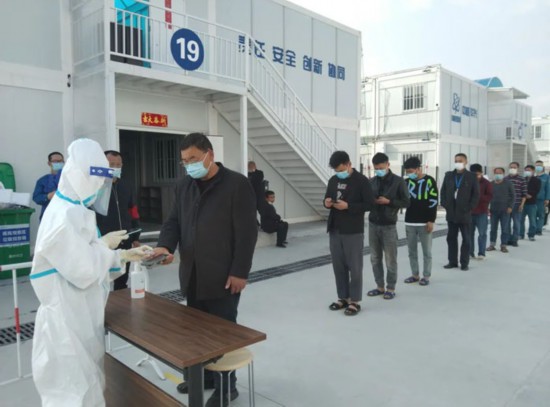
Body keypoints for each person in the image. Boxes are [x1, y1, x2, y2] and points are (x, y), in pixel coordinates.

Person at [30, 138, 151, 407]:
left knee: (90, 386)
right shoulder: (63, 217)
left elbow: (84, 258)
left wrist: (109, 250)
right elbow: (84, 270)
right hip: (66, 323)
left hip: (79, 314)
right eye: (98, 180)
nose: (100, 188)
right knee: (73, 394)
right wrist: (115, 254)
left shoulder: (73, 210)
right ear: (82, 177)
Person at [150, 133, 257, 406]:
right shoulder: (184, 185)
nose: (189, 165)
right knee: (196, 332)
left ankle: (226, 388)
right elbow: (174, 221)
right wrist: (165, 246)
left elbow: (247, 232)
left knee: (222, 333)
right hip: (193, 273)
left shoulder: (237, 184)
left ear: (210, 154)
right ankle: (204, 378)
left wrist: (240, 271)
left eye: (194, 159)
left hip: (223, 275)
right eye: (185, 161)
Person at [324, 151, 375, 316]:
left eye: (341, 169)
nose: (339, 173)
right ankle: (343, 297)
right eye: (336, 171)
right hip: (335, 228)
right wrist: (326, 203)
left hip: (353, 229)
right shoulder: (333, 180)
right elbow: (327, 198)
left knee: (355, 267)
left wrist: (349, 206)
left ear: (349, 164)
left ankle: (354, 301)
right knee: (338, 266)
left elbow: (370, 204)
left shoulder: (361, 181)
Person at [366, 153, 409, 300]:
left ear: (388, 165)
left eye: (381, 168)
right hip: (373, 224)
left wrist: (389, 202)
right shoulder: (371, 181)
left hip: (389, 225)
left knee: (390, 259)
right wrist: (371, 201)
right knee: (374, 258)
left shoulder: (398, 181)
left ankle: (391, 288)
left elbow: (406, 202)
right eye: (376, 168)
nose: (378, 170)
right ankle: (380, 286)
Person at [96, 150, 141, 290]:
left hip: (124, 238)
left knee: (122, 275)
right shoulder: (95, 186)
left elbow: (133, 210)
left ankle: (121, 296)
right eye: (111, 164)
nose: (115, 168)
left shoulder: (126, 185)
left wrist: (135, 236)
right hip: (103, 239)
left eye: (118, 165)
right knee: (101, 277)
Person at [402, 156, 438, 286]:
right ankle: (415, 274)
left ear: (418, 169)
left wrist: (431, 220)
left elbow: (433, 201)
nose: (409, 174)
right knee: (412, 251)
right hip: (410, 221)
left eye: (411, 171)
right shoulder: (406, 182)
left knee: (426, 251)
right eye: (407, 172)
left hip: (424, 222)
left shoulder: (429, 181)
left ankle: (426, 276)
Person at [440, 153, 479, 271]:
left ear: (466, 162)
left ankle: (464, 263)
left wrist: (470, 207)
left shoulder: (471, 176)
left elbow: (476, 194)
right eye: (456, 161)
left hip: (464, 213)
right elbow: (443, 191)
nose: (458, 163)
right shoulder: (449, 175)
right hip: (451, 212)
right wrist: (445, 204)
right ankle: (452, 261)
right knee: (451, 238)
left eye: (460, 161)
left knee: (466, 239)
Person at [487, 168, 515, 253]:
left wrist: (510, 207)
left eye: (500, 173)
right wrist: (487, 207)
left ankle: (504, 245)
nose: (498, 174)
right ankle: (492, 244)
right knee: (493, 228)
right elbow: (488, 196)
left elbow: (513, 196)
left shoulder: (508, 183)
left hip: (505, 210)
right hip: (493, 210)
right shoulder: (491, 184)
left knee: (505, 229)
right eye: (496, 173)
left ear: (503, 173)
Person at [469, 164, 493, 260]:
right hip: (469, 212)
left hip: (482, 212)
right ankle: (470, 252)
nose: (476, 176)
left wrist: (477, 196)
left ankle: (481, 253)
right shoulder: (468, 182)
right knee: (469, 234)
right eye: (473, 174)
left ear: (481, 173)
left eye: (477, 174)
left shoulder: (487, 183)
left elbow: (489, 196)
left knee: (482, 233)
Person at [32, 151, 64, 220]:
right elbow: (36, 198)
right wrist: (48, 196)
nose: (58, 163)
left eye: (60, 161)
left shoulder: (69, 178)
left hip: (66, 215)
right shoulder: (42, 180)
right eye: (55, 161)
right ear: (49, 163)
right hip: (48, 216)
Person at [504, 162, 527, 247]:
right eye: (511, 167)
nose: (512, 169)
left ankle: (514, 239)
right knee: (506, 223)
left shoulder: (522, 179)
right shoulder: (505, 179)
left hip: (517, 204)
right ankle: (507, 239)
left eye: (514, 167)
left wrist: (522, 204)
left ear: (518, 168)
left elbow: (524, 193)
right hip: (507, 205)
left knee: (517, 223)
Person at [519, 165, 541, 241]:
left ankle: (531, 235)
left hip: (532, 202)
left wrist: (529, 194)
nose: (527, 171)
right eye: (526, 170)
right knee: (521, 220)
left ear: (533, 171)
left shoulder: (537, 180)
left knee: (532, 220)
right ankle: (521, 234)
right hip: (522, 203)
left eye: (529, 170)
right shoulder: (522, 179)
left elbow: (537, 190)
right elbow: (520, 189)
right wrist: (524, 195)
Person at [534, 160, 550, 235]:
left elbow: (548, 188)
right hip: (532, 199)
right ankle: (533, 228)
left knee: (541, 215)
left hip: (541, 199)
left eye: (540, 165)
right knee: (533, 215)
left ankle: (539, 230)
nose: (538, 167)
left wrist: (547, 198)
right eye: (537, 165)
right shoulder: (533, 176)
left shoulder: (546, 177)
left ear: (543, 166)